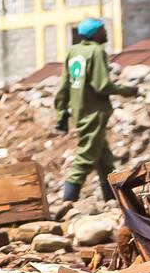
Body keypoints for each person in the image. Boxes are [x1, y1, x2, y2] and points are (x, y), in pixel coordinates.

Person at [53, 17, 138, 203]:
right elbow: (102, 85)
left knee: (104, 159)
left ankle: (112, 199)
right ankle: (68, 199)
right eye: (102, 30)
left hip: (80, 110)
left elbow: (64, 87)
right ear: (96, 33)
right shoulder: (96, 51)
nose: (105, 32)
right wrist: (127, 90)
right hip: (94, 112)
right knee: (87, 156)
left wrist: (61, 112)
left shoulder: (74, 51)